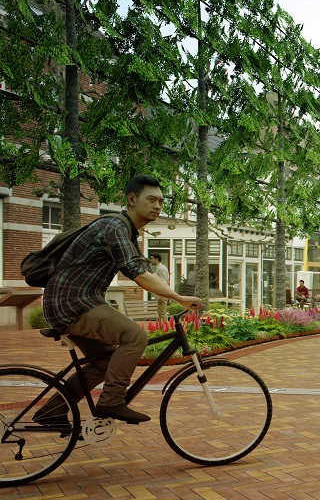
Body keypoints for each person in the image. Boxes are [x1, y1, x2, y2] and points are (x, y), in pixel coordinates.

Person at [35, 175, 202, 426]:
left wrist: (174, 295)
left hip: (72, 302)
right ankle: (112, 401)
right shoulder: (115, 227)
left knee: (103, 362)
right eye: (151, 199)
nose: (158, 206)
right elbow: (139, 275)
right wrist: (179, 298)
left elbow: (142, 269)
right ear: (132, 200)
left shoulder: (126, 231)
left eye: (161, 201)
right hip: (73, 303)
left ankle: (52, 411)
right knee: (136, 336)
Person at [149, 253, 170, 320]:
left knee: (162, 313)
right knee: (161, 313)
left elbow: (164, 282)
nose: (150, 260)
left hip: (162, 293)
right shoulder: (161, 268)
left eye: (152, 258)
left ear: (156, 259)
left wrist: (162, 295)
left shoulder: (160, 269)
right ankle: (163, 328)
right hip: (162, 293)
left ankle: (165, 329)